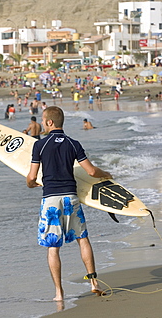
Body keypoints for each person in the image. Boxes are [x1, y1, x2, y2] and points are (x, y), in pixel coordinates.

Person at [26, 106, 112, 301]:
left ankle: (59, 293)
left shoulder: (40, 145)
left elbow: (32, 177)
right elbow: (90, 171)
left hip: (51, 200)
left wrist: (31, 183)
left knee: (53, 247)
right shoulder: (73, 144)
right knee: (83, 238)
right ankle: (94, 282)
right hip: (71, 198)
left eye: (43, 120)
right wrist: (106, 174)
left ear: (49, 122)